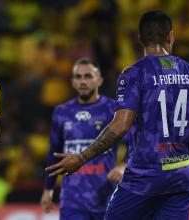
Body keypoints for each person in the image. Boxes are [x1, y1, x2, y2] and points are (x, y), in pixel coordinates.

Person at [45, 10, 189, 220]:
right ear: (170, 36)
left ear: (140, 39)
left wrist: (81, 158)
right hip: (181, 175)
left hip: (146, 176)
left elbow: (120, 126)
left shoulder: (134, 73)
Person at [40, 58, 127, 220]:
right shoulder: (61, 112)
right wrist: (48, 189)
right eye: (78, 77)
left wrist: (123, 166)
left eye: (88, 76)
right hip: (72, 199)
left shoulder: (112, 109)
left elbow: (135, 143)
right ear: (72, 82)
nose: (83, 81)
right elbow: (54, 152)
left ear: (99, 80)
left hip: (106, 195)